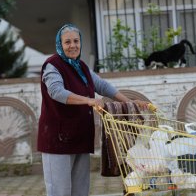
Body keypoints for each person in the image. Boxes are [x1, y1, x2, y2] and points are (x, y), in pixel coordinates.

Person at [37, 23, 148, 196]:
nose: (72, 45)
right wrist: (88, 100)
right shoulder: (52, 65)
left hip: (80, 136)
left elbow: (102, 86)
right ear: (60, 44)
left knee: (80, 191)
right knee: (60, 191)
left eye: (76, 41)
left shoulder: (81, 66)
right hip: (57, 140)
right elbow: (56, 92)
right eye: (67, 42)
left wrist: (131, 102)